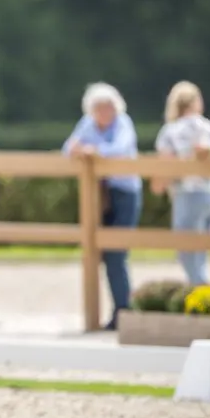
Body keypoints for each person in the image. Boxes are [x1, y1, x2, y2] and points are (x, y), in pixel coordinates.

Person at [63, 83, 142, 331]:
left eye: (107, 107)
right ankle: (118, 309)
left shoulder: (123, 123)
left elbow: (121, 149)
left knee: (116, 252)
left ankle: (124, 310)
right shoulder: (88, 124)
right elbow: (69, 149)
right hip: (101, 194)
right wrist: (82, 150)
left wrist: (92, 151)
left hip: (125, 193)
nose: (104, 112)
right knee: (103, 254)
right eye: (98, 108)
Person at [150, 81, 210, 285]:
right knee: (200, 248)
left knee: (186, 248)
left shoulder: (171, 130)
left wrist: (158, 185)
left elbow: (166, 163)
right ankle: (201, 289)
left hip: (187, 192)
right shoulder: (209, 128)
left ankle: (200, 292)